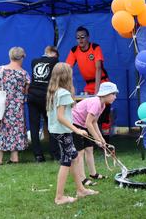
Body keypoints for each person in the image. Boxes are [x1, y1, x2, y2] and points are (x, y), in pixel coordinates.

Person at [46, 62, 98, 205]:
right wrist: (77, 130)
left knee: (74, 158)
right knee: (66, 161)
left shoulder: (54, 91)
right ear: (66, 76)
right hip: (63, 132)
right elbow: (61, 117)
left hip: (58, 131)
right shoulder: (63, 93)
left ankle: (81, 190)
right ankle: (59, 197)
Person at [65, 26, 112, 140]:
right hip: (89, 85)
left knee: (104, 112)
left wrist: (97, 92)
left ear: (88, 37)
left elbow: (98, 69)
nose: (80, 40)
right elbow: (67, 68)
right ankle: (91, 138)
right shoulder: (74, 50)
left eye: (82, 37)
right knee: (87, 111)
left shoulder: (95, 48)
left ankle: (106, 140)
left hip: (102, 83)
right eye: (78, 38)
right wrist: (67, 88)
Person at [72, 82, 119, 185]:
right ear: (105, 94)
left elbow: (94, 122)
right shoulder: (96, 103)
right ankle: (82, 179)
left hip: (83, 124)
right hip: (75, 123)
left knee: (89, 148)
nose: (115, 97)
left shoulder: (102, 105)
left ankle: (93, 174)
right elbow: (88, 123)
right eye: (113, 94)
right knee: (80, 152)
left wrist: (101, 138)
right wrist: (97, 139)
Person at [0, 47, 30, 165]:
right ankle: (14, 156)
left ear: (10, 56)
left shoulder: (0, 70)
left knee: (0, 129)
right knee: (15, 131)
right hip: (16, 108)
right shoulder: (24, 74)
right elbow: (27, 91)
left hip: (0, 106)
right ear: (22, 57)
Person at [28, 46, 60, 162]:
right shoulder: (55, 61)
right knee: (51, 124)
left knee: (34, 126)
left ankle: (38, 155)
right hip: (46, 96)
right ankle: (54, 153)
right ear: (53, 53)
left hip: (32, 95)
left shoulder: (34, 61)